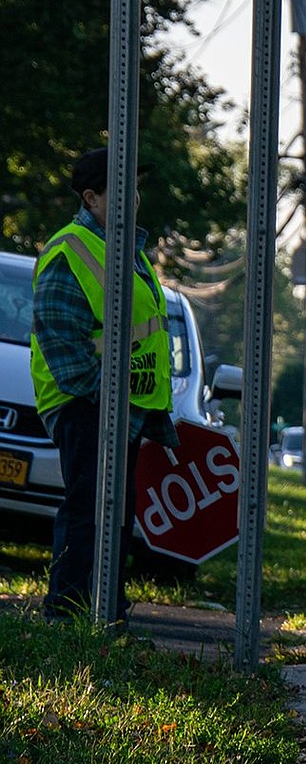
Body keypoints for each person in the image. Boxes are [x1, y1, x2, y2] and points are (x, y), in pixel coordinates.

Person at [30, 147, 179, 625]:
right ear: (91, 197)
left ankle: (107, 615)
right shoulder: (70, 248)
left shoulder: (126, 251)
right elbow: (60, 333)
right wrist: (103, 396)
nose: (133, 197)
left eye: (135, 187)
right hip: (87, 403)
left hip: (121, 407)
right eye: (122, 188)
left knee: (114, 514)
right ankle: (67, 613)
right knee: (88, 508)